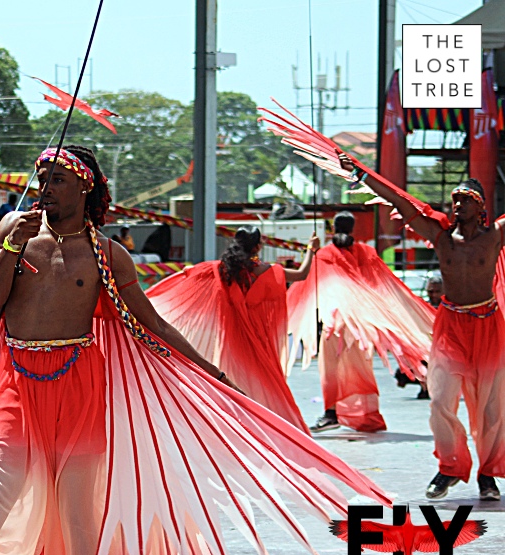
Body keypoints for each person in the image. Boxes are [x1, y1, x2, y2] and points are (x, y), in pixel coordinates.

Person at [0, 145, 390, 555]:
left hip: (83, 394)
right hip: (17, 392)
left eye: (57, 179)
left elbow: (150, 325)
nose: (44, 187)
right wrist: (7, 249)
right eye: (41, 177)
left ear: (85, 186)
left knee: (80, 522)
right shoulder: (13, 232)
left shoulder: (109, 256)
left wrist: (208, 371)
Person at [345, 164, 505, 500]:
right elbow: (400, 202)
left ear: (481, 208)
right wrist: (361, 174)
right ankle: (449, 468)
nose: (457, 205)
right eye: (454, 200)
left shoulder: (495, 236)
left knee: (492, 408)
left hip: (489, 325)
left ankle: (487, 474)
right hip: (451, 327)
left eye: (465, 200)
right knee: (440, 401)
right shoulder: (440, 236)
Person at [146, 226, 321, 432]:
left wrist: (148, 298)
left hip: (232, 340)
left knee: (233, 382)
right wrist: (311, 249)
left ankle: (239, 429)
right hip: (260, 342)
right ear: (257, 246)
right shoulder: (267, 271)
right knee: (267, 384)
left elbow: (187, 278)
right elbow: (301, 274)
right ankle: (276, 430)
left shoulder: (221, 270)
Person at [284, 211, 434, 434]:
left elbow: (306, 285)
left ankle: (331, 413)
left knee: (331, 371)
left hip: (335, 326)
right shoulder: (367, 253)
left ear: (333, 229)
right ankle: (366, 415)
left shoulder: (324, 255)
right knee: (360, 371)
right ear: (353, 229)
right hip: (361, 328)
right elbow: (382, 285)